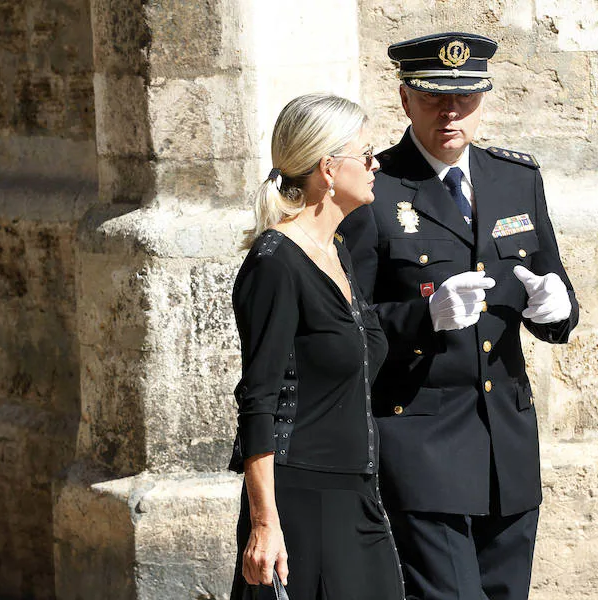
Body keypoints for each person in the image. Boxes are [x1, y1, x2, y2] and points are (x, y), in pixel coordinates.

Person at [339, 33, 579, 600]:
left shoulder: (514, 178)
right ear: (405, 100)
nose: (450, 114)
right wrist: (424, 317)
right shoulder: (376, 187)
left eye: (465, 100)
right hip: (423, 440)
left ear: (483, 101)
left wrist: (558, 308)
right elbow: (350, 322)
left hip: (507, 445)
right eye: (432, 99)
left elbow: (550, 282)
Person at [228, 93, 404, 600]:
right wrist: (265, 523)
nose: (375, 166)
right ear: (329, 169)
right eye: (365, 155)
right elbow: (259, 400)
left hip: (357, 490)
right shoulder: (275, 262)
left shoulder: (338, 250)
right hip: (299, 500)